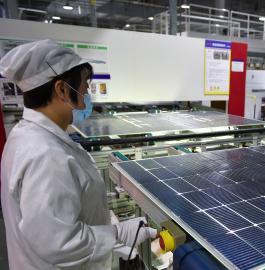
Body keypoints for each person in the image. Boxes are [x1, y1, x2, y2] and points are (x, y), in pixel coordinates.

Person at [0, 40, 157, 270]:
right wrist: (117, 234)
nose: (87, 94)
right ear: (62, 90)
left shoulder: (27, 137)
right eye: (84, 85)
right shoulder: (45, 154)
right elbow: (59, 243)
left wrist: (105, 222)